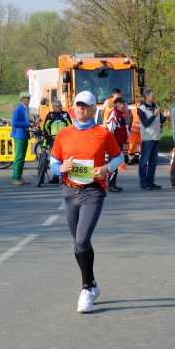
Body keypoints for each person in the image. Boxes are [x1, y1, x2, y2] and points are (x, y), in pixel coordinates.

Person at [49, 91, 124, 313]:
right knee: (78, 243)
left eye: (85, 105)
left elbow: (119, 156)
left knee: (82, 239)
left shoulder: (102, 133)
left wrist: (107, 168)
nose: (81, 108)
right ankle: (92, 284)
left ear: (93, 109)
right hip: (70, 192)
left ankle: (86, 289)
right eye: (78, 105)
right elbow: (54, 160)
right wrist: (60, 168)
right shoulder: (64, 133)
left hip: (93, 191)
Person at [137, 88, 166, 190]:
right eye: (152, 95)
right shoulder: (141, 109)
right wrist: (154, 115)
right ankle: (143, 183)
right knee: (144, 162)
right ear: (147, 96)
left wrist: (165, 116)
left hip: (156, 137)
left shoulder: (156, 106)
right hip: (147, 138)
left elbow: (161, 120)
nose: (154, 96)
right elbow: (145, 123)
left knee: (153, 162)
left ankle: (151, 182)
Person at [42, 100, 72, 184]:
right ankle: (55, 177)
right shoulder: (50, 115)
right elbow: (46, 126)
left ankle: (64, 176)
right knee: (55, 157)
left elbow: (70, 126)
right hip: (53, 139)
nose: (60, 107)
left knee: (64, 157)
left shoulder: (65, 114)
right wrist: (45, 135)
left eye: (60, 106)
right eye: (58, 106)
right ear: (53, 107)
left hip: (64, 139)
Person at [105, 96, 129, 192]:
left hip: (118, 144)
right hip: (114, 144)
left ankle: (113, 184)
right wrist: (112, 144)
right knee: (113, 165)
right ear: (118, 104)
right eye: (122, 103)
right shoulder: (114, 113)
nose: (124, 105)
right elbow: (110, 130)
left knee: (115, 164)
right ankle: (111, 185)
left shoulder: (120, 113)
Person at [11, 92, 32, 185]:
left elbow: (24, 120)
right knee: (19, 157)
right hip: (19, 135)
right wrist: (28, 124)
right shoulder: (18, 109)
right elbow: (14, 122)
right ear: (23, 99)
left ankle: (19, 177)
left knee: (22, 157)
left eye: (29, 98)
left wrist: (30, 121)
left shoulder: (26, 108)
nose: (29, 100)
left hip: (24, 134)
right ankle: (15, 178)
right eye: (27, 98)